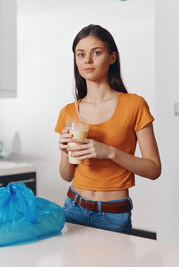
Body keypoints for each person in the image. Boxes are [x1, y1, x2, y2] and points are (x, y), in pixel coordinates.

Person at [54, 24, 161, 234]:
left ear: (112, 57)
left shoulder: (134, 104)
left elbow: (154, 169)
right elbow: (66, 175)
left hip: (113, 214)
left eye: (97, 53)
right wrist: (65, 152)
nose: (88, 60)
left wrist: (109, 152)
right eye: (81, 54)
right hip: (73, 207)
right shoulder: (68, 111)